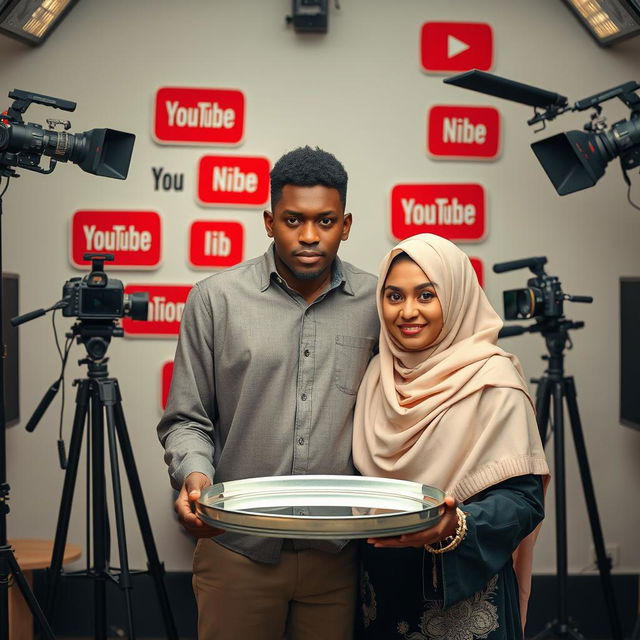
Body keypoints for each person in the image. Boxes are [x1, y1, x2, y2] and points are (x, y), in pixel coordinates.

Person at [157, 145, 379, 640]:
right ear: (268, 220)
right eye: (292, 219)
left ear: (345, 225)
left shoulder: (378, 301)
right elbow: (186, 418)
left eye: (324, 222)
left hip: (337, 555)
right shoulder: (215, 299)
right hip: (237, 548)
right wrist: (194, 477)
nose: (308, 236)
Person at [352, 233, 550, 640]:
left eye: (426, 295)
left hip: (466, 599)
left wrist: (457, 524)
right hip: (382, 594)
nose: (408, 311)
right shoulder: (376, 377)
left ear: (456, 297)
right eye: (394, 296)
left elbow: (525, 501)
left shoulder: (494, 381)